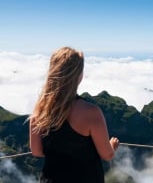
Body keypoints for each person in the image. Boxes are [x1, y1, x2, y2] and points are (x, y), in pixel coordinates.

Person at [29, 47, 119, 183]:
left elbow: (36, 151)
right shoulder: (91, 112)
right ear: (78, 75)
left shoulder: (39, 111)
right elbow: (107, 155)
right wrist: (112, 146)